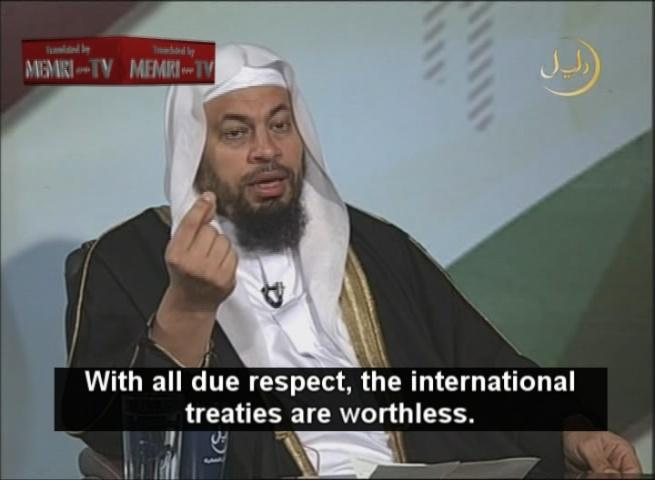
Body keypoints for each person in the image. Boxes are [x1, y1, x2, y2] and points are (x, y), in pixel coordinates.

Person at [64, 43, 642, 478]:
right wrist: (187, 311)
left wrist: (569, 433)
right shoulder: (126, 259)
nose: (267, 150)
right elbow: (113, 433)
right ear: (195, 152)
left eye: (281, 125)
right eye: (237, 133)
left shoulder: (372, 245)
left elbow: (481, 365)